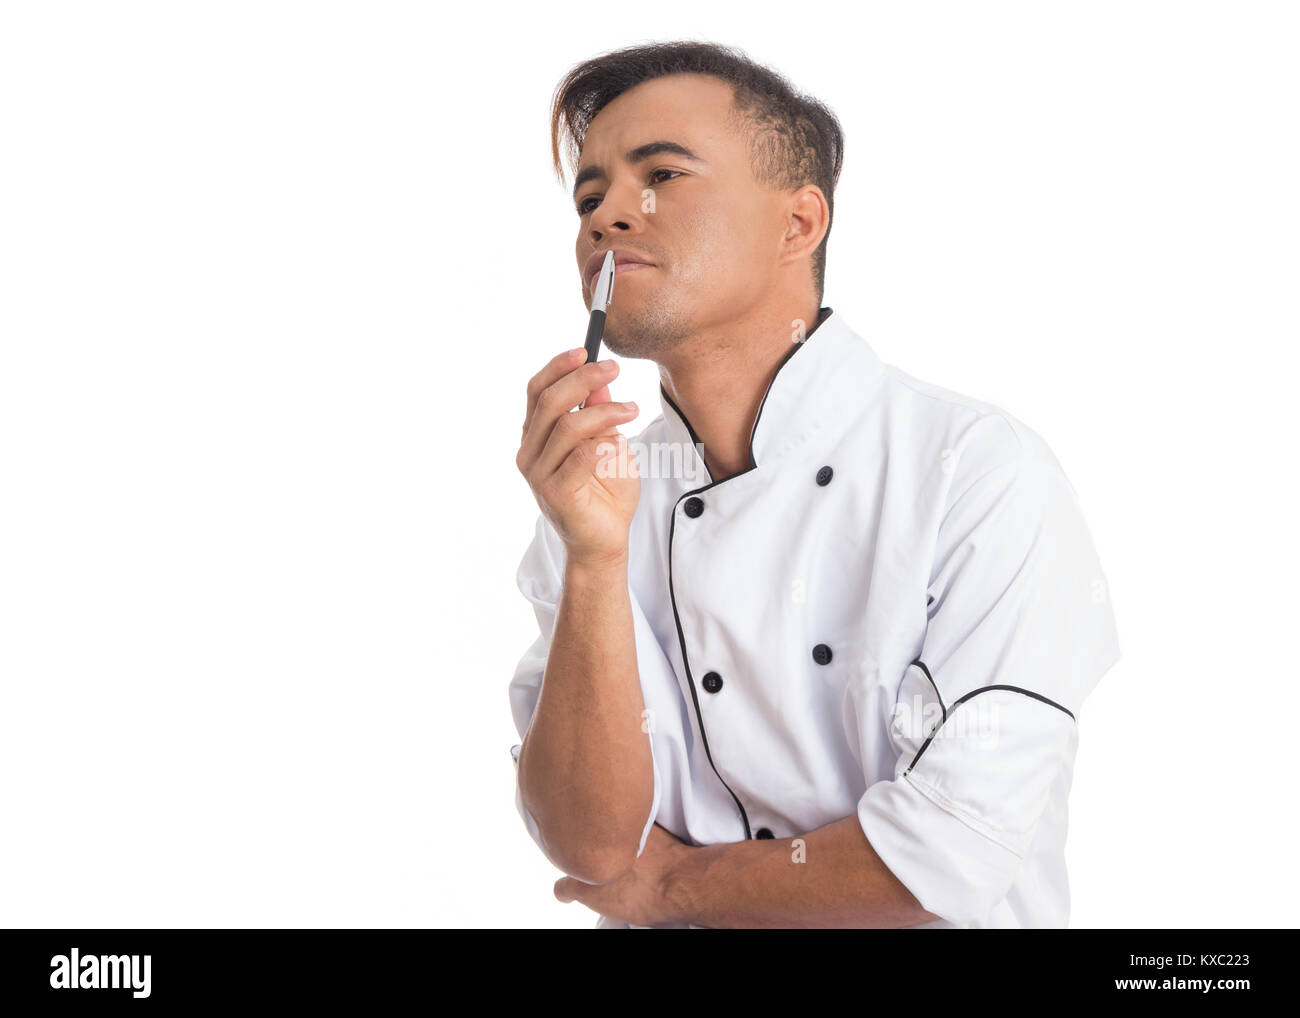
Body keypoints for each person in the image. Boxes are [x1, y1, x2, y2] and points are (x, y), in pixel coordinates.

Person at [509, 41, 1120, 929]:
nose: (606, 217)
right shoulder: (593, 503)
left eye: (663, 176)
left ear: (799, 224)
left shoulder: (975, 472)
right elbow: (592, 848)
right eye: (589, 196)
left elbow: (947, 854)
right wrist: (596, 559)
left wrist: (674, 887)